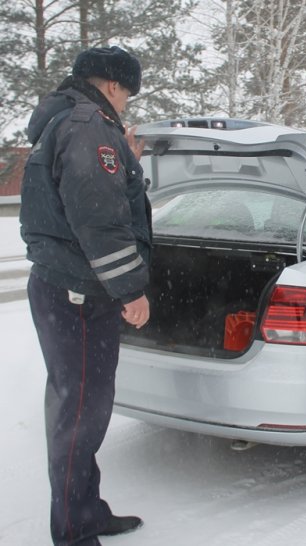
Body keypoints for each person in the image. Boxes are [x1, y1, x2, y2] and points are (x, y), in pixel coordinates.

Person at [20, 46, 152, 546]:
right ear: (115, 86)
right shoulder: (90, 126)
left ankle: (87, 511)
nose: (125, 104)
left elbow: (90, 192)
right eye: (127, 94)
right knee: (80, 413)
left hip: (66, 288)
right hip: (78, 293)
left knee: (85, 408)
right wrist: (132, 290)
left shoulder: (72, 122)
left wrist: (126, 163)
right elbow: (99, 220)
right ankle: (74, 532)